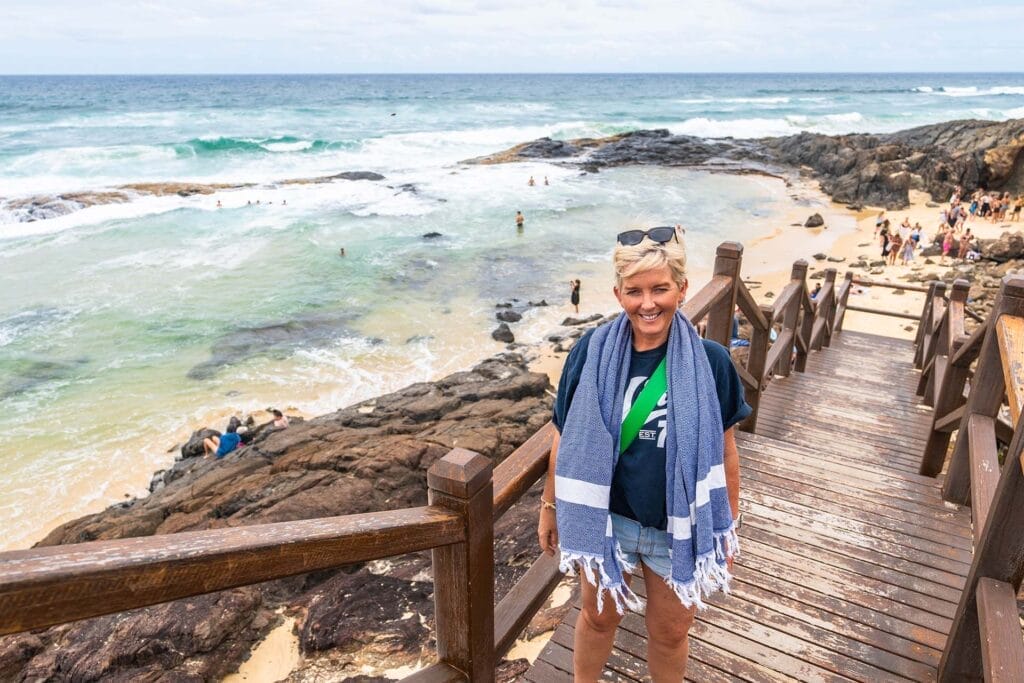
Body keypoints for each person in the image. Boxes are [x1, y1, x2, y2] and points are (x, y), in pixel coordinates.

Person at [539, 225, 748, 681]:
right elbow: (563, 438)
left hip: (678, 524)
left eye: (660, 289)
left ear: (682, 289)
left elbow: (727, 452)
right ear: (618, 294)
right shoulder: (589, 354)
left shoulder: (712, 362)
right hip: (607, 518)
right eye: (635, 291)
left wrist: (725, 525)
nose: (647, 303)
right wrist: (549, 506)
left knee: (671, 632)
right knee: (597, 618)